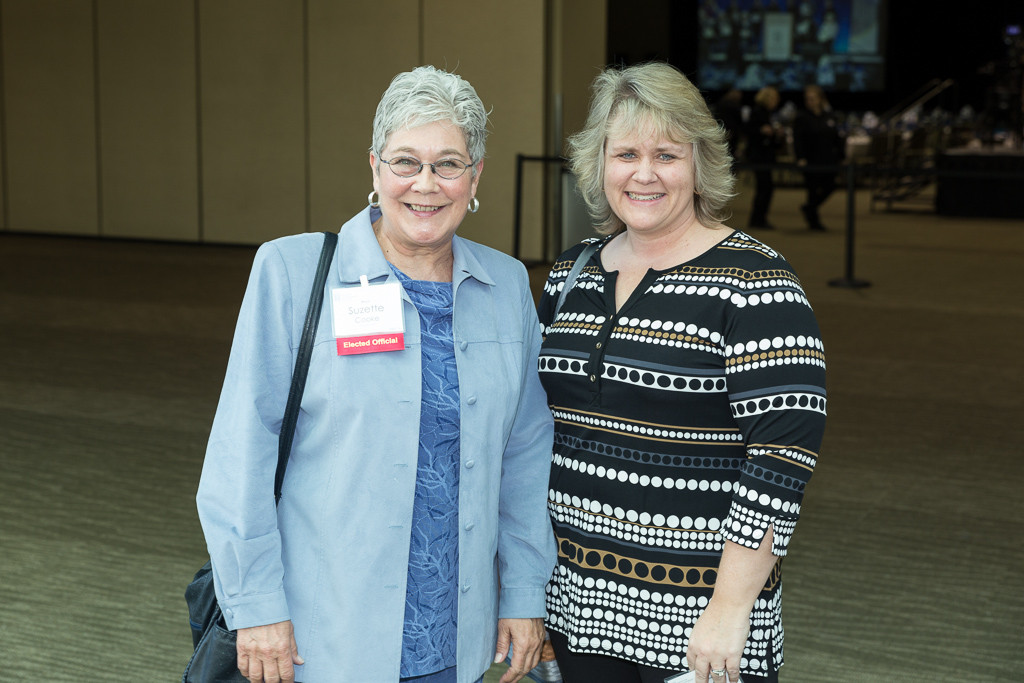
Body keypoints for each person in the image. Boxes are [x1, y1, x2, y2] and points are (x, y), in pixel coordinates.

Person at [196, 65, 557, 683]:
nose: (426, 184)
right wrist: (255, 606)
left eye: (448, 164)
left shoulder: (506, 288)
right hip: (321, 638)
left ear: (475, 178)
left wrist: (524, 593)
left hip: (458, 638)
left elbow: (525, 458)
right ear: (374, 169)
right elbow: (241, 450)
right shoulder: (293, 272)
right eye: (405, 162)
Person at [537, 62, 827, 683]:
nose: (644, 174)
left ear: (699, 164)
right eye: (626, 155)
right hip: (578, 609)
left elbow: (781, 455)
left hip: (698, 621)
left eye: (666, 155)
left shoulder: (755, 281)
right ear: (599, 164)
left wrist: (730, 606)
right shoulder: (569, 276)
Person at [793, 84, 844, 231]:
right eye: (807, 99)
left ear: (820, 99)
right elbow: (798, 140)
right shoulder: (802, 118)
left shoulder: (829, 116)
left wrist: (841, 155)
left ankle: (809, 208)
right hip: (810, 159)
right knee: (812, 189)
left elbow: (837, 137)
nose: (810, 102)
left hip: (828, 160)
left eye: (813, 99)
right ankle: (813, 221)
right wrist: (800, 157)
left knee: (830, 186)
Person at [745, 86, 783, 229]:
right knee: (765, 188)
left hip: (762, 155)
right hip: (759, 156)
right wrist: (763, 130)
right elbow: (749, 130)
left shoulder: (766, 113)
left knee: (765, 187)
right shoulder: (759, 112)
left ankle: (758, 218)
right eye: (774, 98)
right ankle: (758, 219)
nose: (777, 101)